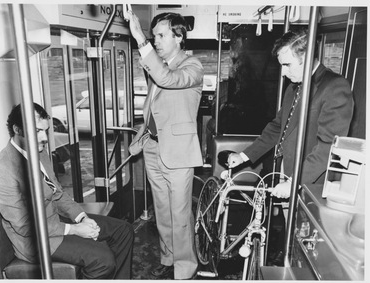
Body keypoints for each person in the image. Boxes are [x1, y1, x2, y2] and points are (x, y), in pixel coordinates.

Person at [227, 28, 354, 264]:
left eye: (287, 65)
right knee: (291, 235)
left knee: (306, 247)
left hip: (310, 183)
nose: (283, 73)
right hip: (288, 174)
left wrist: (294, 179)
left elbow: (328, 147)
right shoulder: (293, 88)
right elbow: (278, 128)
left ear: (305, 59)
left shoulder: (335, 87)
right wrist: (245, 156)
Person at [0, 103, 134, 279]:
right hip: (36, 240)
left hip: (54, 219)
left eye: (45, 131)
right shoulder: (4, 169)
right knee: (103, 259)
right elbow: (25, 226)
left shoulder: (39, 151)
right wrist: (75, 229)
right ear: (17, 129)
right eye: (37, 131)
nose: (44, 137)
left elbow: (57, 192)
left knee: (123, 230)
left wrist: (82, 217)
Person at [126, 11, 204, 280]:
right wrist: (143, 135)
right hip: (153, 148)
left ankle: (185, 268)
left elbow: (167, 80)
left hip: (178, 153)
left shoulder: (192, 67)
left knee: (180, 214)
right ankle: (168, 258)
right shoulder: (157, 65)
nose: (155, 40)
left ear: (179, 37)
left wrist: (139, 38)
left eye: (161, 35)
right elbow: (153, 107)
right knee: (162, 210)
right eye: (153, 35)